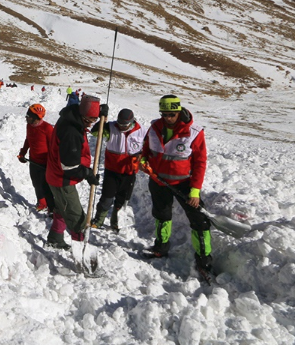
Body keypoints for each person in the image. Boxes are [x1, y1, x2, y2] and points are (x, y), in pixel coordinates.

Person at [139, 95, 211, 276]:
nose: (167, 118)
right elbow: (146, 149)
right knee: (162, 216)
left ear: (178, 112)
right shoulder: (155, 127)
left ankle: (204, 260)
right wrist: (143, 160)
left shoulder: (194, 132)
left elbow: (200, 163)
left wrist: (195, 191)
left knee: (200, 222)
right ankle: (160, 248)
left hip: (184, 184)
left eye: (171, 114)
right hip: (158, 181)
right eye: (164, 114)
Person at [45, 95, 109, 249]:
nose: (91, 123)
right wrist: (88, 174)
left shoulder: (72, 116)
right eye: (89, 120)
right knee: (77, 219)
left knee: (62, 208)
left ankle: (55, 238)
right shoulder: (71, 133)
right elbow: (70, 167)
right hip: (61, 179)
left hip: (55, 174)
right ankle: (82, 254)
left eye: (93, 120)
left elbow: (87, 120)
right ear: (81, 116)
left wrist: (100, 114)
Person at [90, 109, 146, 231]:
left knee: (122, 199)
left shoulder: (141, 131)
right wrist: (101, 121)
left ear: (131, 122)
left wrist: (141, 156)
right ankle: (98, 219)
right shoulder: (110, 127)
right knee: (107, 198)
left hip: (129, 172)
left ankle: (116, 222)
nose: (121, 127)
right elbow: (95, 133)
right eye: (119, 124)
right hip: (112, 171)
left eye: (124, 125)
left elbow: (147, 148)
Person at [17, 104, 56, 213]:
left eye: (28, 116)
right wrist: (23, 152)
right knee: (36, 183)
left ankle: (52, 208)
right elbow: (28, 140)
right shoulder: (29, 126)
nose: (26, 118)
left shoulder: (47, 128)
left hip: (45, 164)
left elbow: (54, 147)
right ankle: (42, 202)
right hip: (33, 161)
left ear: (36, 117)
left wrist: (51, 163)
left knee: (46, 186)